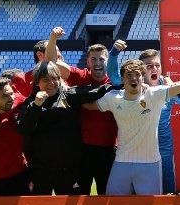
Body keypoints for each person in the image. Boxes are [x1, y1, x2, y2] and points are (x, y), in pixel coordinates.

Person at [94, 57, 180, 195]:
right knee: (115, 204)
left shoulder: (158, 93)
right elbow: (92, 101)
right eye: (149, 66)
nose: (153, 69)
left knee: (158, 201)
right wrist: (113, 53)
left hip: (157, 154)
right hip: (124, 158)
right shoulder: (114, 96)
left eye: (157, 65)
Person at [17, 61, 113, 195]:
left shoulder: (69, 96)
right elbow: (23, 128)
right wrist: (36, 106)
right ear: (37, 82)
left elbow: (96, 91)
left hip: (68, 170)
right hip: (39, 171)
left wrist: (121, 86)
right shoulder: (30, 103)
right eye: (46, 80)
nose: (51, 83)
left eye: (55, 78)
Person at [47, 27, 118, 195]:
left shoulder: (116, 80)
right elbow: (51, 63)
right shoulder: (80, 76)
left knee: (105, 194)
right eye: (93, 59)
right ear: (88, 62)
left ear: (108, 61)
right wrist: (53, 39)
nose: (98, 63)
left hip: (109, 148)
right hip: (82, 148)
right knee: (80, 195)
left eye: (101, 59)